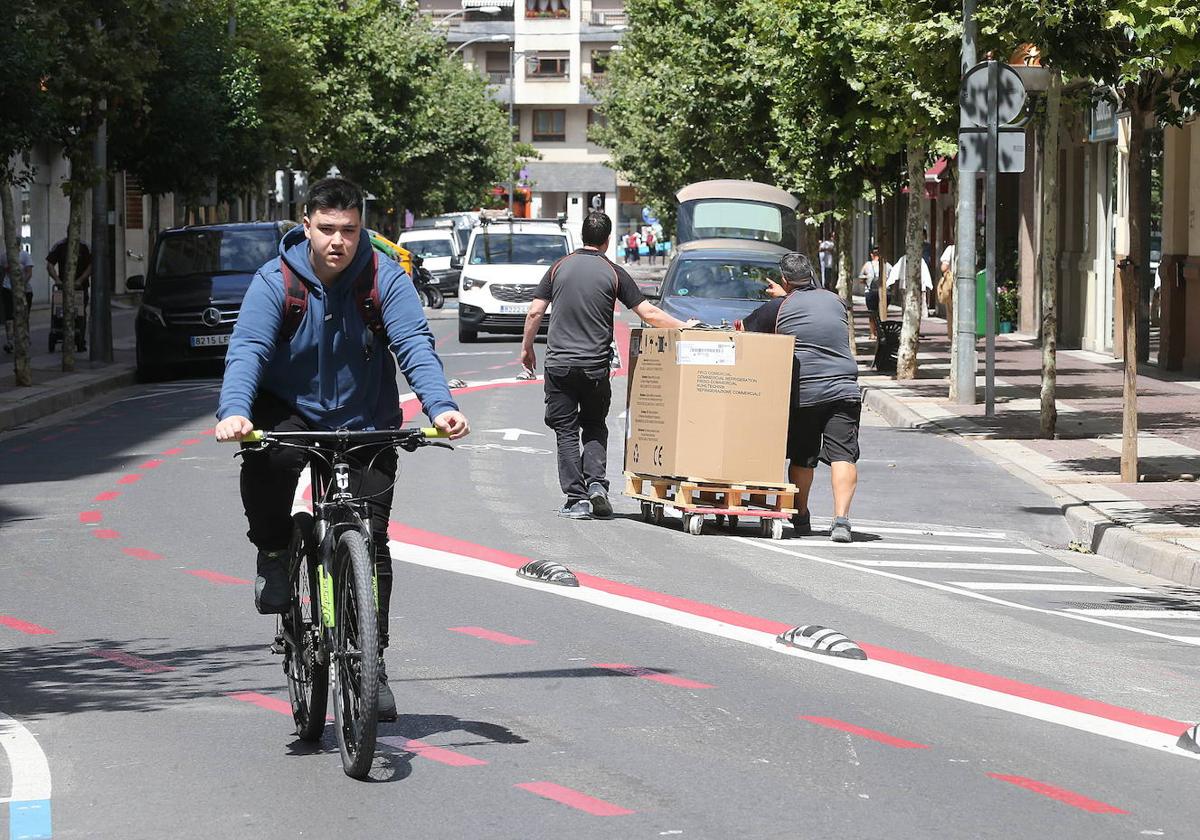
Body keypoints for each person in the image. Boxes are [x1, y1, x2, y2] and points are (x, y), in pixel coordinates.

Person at [213, 177, 468, 721]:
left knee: (372, 543)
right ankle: (275, 552)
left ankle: (369, 664)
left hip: (365, 417)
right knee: (270, 457)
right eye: (326, 229)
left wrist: (439, 406)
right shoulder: (275, 281)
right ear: (306, 225)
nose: (338, 241)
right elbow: (249, 348)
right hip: (289, 409)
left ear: (362, 229)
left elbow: (414, 344)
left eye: (349, 230)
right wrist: (234, 410)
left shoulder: (383, 277)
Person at [520, 211, 691, 519]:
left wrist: (527, 348)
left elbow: (535, 312)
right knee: (595, 425)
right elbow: (648, 313)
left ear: (582, 235)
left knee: (566, 430)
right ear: (608, 240)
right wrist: (685, 327)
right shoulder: (614, 273)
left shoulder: (558, 267)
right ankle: (597, 485)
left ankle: (577, 498)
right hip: (596, 368)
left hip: (559, 366)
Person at [741, 253, 861, 543]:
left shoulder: (778, 307)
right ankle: (841, 520)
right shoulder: (835, 301)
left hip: (806, 392)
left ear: (784, 280)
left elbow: (743, 332)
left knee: (803, 455)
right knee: (843, 455)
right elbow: (814, 312)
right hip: (845, 388)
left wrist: (781, 298)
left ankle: (801, 514)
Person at [46, 236, 93, 350]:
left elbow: (91, 265)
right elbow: (50, 264)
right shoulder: (60, 245)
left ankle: (79, 338)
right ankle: (62, 333)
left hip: (80, 287)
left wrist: (80, 280)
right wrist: (57, 280)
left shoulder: (84, 246)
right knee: (60, 311)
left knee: (80, 313)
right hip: (63, 287)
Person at [1, 247, 34, 355]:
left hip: (24, 290)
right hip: (8, 288)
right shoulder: (4, 256)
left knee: (24, 315)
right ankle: (10, 341)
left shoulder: (24, 255)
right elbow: (3, 271)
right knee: (10, 316)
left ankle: (24, 338)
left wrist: (21, 285)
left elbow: (29, 273)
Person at [858, 245, 890, 340]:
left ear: (872, 255)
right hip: (885, 293)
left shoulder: (867, 265)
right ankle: (881, 333)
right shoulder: (887, 265)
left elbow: (860, 278)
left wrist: (866, 281)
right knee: (882, 314)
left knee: (872, 314)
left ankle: (872, 333)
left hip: (870, 292)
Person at [938, 243, 955, 341]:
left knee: (951, 314)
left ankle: (953, 340)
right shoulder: (971, 248)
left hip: (952, 287)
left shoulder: (951, 249)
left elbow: (944, 267)